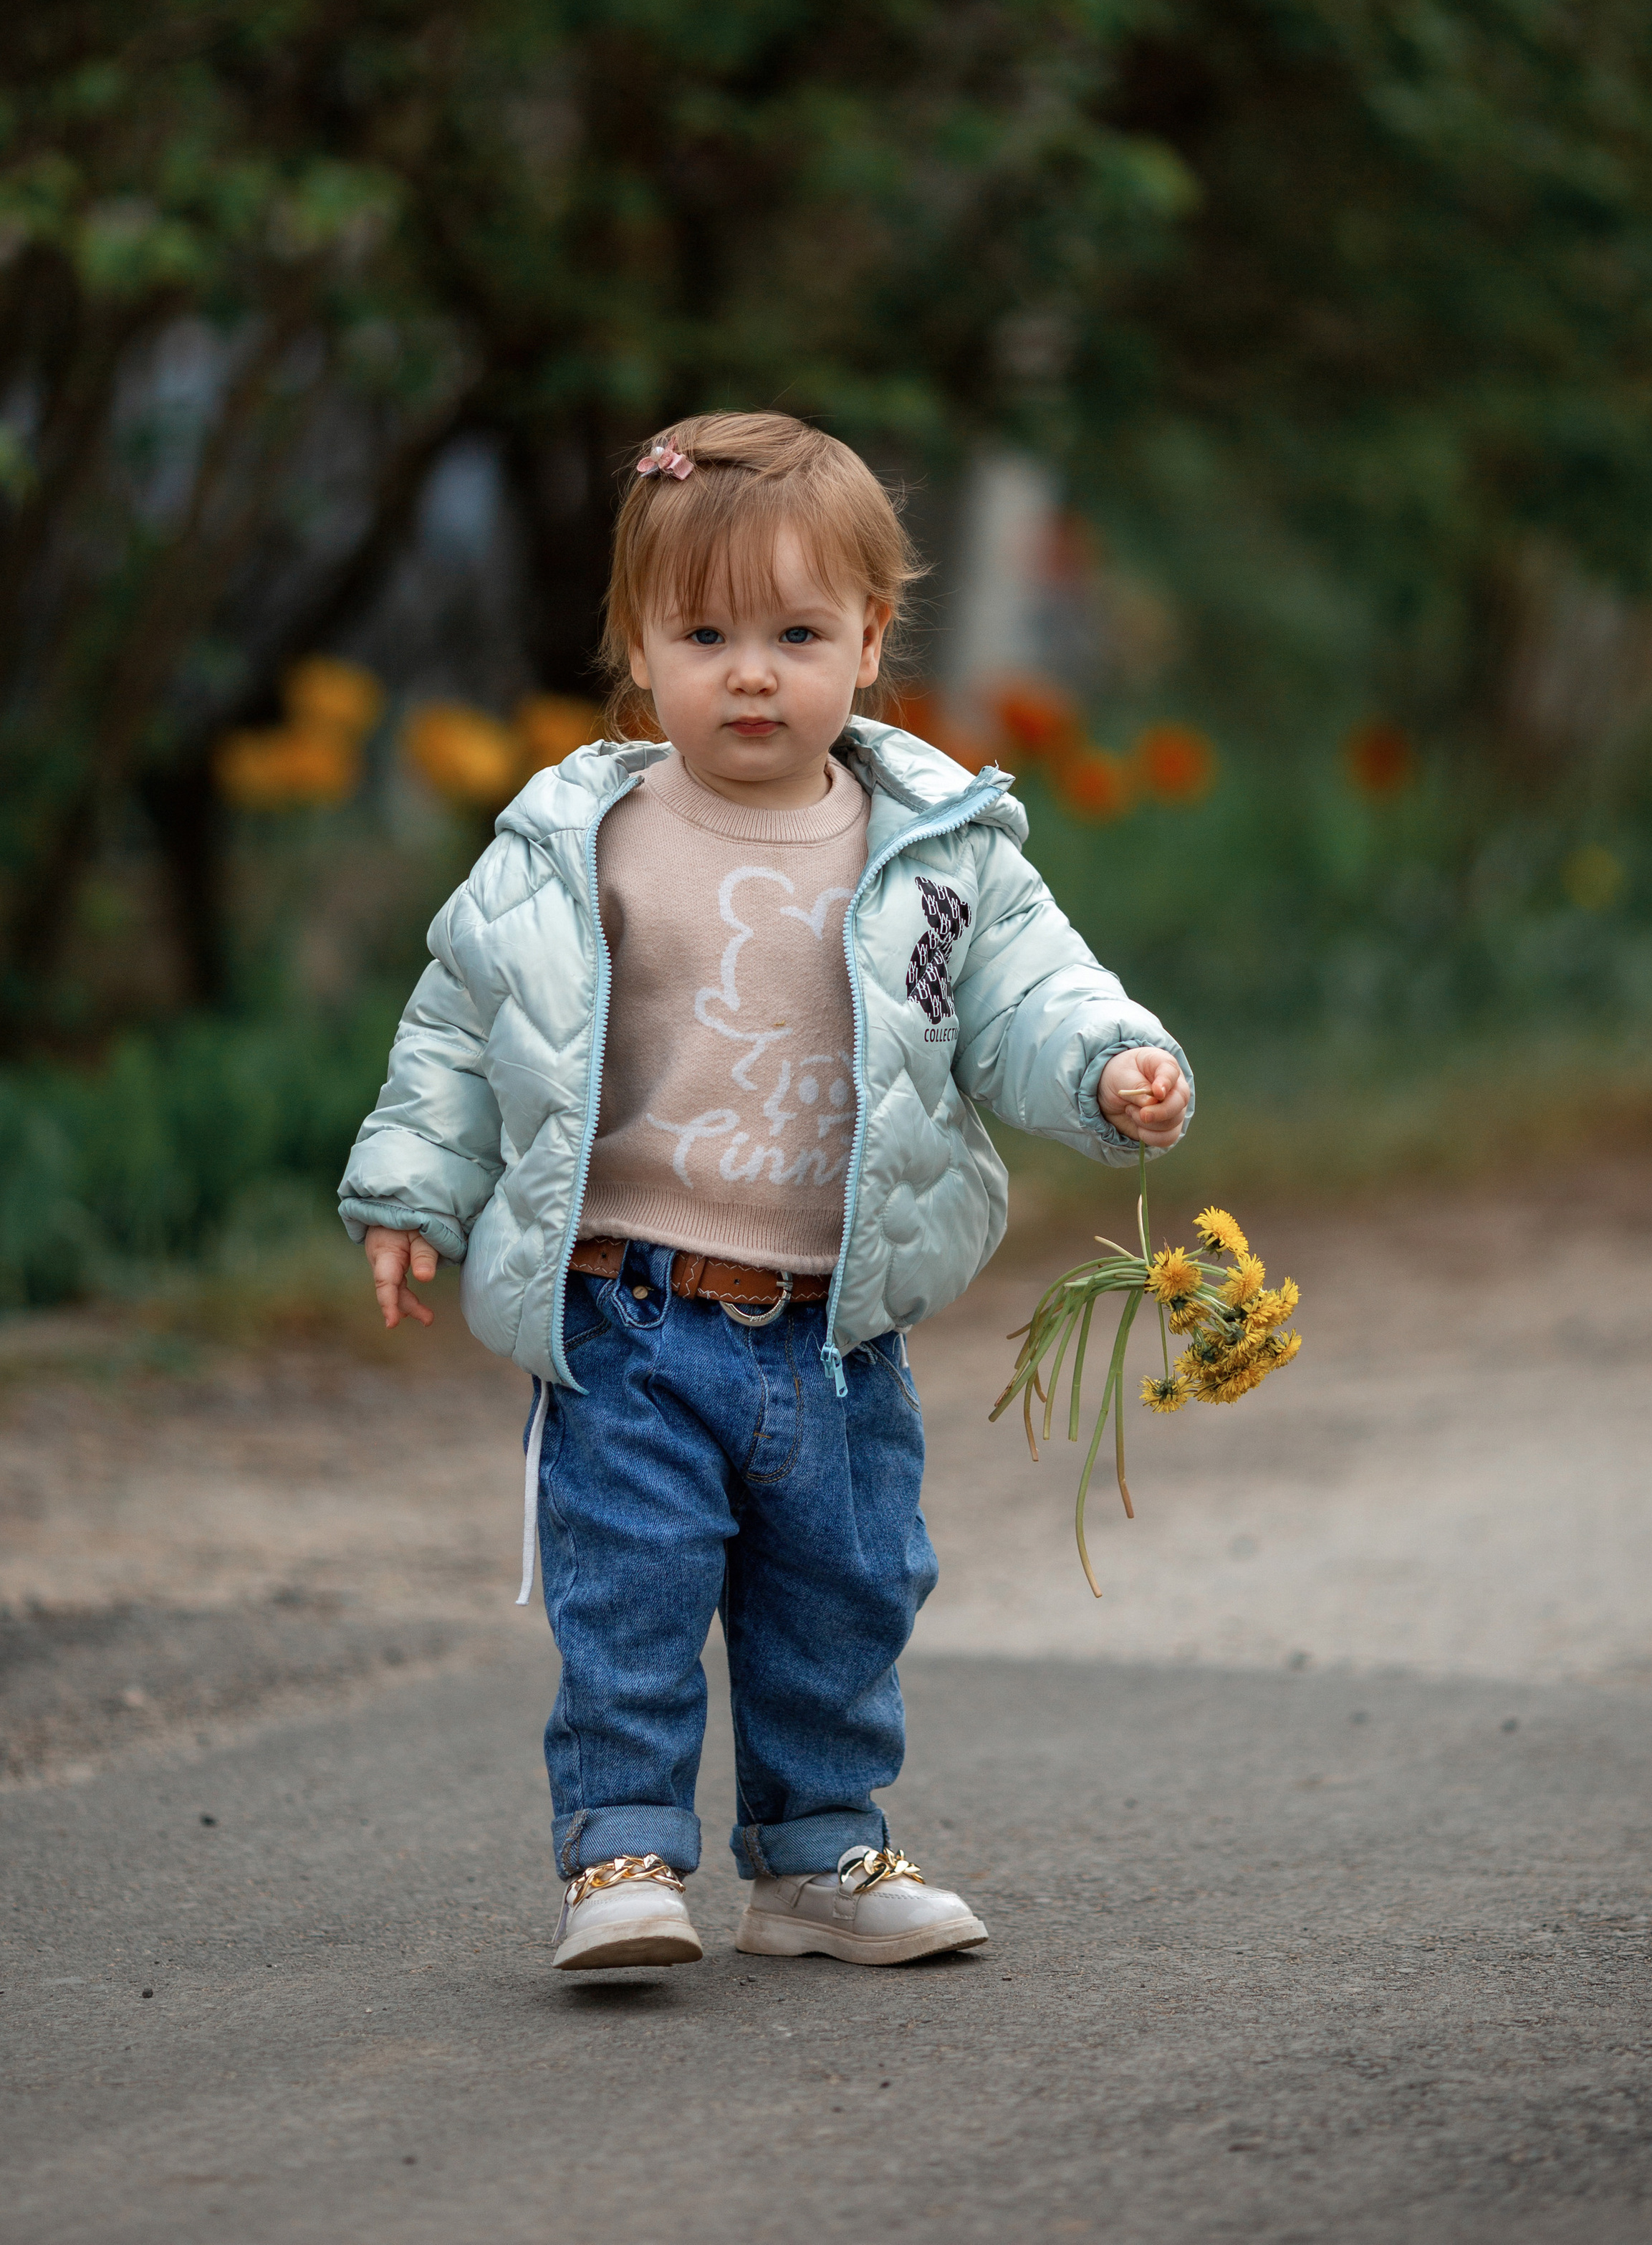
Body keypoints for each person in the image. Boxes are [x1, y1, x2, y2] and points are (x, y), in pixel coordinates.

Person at [340, 413, 1192, 1972]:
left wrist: (1108, 1067)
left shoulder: (937, 846)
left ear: (869, 644)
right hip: (629, 1319)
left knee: (844, 1601)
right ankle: (620, 1862)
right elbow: (462, 1025)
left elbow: (1026, 995)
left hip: (834, 1334)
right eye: (705, 633)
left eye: (796, 633)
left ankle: (816, 1858)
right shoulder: (574, 838)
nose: (750, 672)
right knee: (634, 1601)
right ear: (637, 648)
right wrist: (411, 1188)